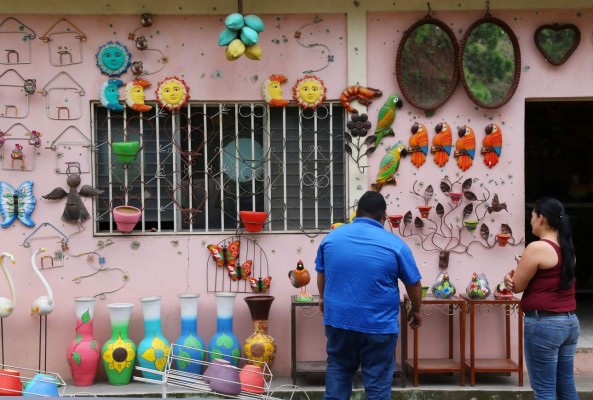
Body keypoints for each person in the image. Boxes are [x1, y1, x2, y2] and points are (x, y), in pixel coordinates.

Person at [315, 191, 423, 400]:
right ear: (384, 217)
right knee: (378, 386)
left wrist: (322, 299)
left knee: (338, 369)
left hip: (339, 322)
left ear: (356, 213)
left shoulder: (332, 238)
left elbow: (322, 273)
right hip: (378, 326)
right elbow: (414, 283)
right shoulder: (395, 245)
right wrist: (417, 310)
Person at [504, 197, 579, 399]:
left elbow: (517, 286)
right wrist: (525, 265)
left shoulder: (537, 248)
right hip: (569, 322)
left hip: (544, 325)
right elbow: (551, 278)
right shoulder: (568, 250)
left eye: (532, 216)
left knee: (544, 390)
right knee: (566, 386)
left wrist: (509, 278)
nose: (530, 221)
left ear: (541, 219)